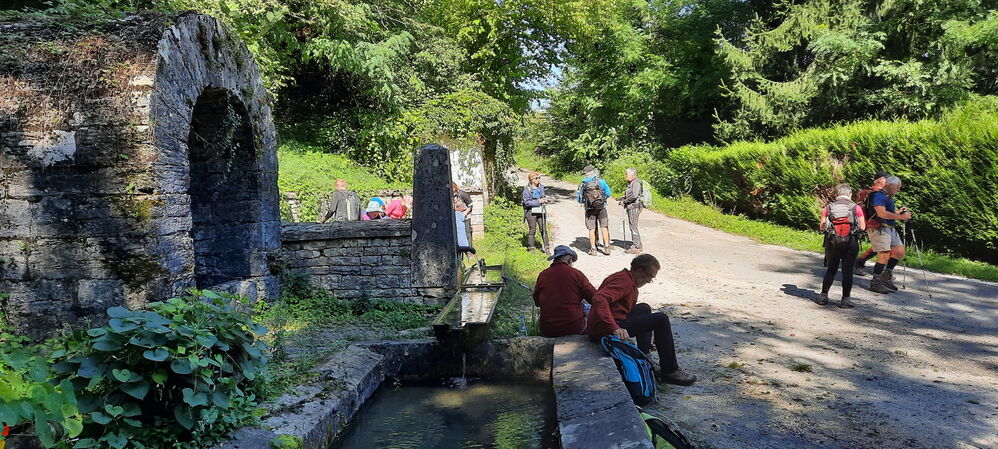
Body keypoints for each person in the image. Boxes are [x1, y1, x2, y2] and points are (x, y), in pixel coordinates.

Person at [587, 255, 697, 386]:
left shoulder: (626, 278)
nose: (648, 281)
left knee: (644, 308)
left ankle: (645, 356)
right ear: (638, 269)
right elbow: (599, 299)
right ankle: (670, 370)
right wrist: (614, 327)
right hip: (604, 330)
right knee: (661, 319)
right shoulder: (624, 282)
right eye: (648, 276)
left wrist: (653, 335)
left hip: (609, 323)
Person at [818, 184, 866, 308]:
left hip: (832, 241)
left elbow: (822, 226)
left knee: (831, 270)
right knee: (847, 271)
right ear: (850, 195)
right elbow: (862, 227)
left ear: (837, 194)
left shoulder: (828, 207)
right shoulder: (855, 207)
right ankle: (845, 300)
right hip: (851, 242)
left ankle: (823, 296)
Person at [533, 245, 597, 337]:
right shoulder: (576, 274)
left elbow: (538, 302)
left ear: (555, 259)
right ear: (569, 260)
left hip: (547, 329)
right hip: (573, 327)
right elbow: (594, 298)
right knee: (590, 314)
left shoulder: (543, 275)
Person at [867, 176, 912, 294]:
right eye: (897, 187)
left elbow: (888, 212)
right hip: (879, 227)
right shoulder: (878, 195)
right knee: (884, 254)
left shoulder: (888, 197)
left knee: (899, 251)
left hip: (890, 227)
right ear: (890, 185)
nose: (898, 190)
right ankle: (875, 282)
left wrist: (897, 212)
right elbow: (881, 213)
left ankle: (886, 276)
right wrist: (901, 217)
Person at [853, 171, 890, 276]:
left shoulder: (882, 193)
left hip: (879, 223)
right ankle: (860, 263)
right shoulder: (872, 193)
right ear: (879, 180)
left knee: (880, 246)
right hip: (874, 223)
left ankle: (861, 263)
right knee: (882, 247)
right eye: (886, 179)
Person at [576, 165, 612, 256]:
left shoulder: (583, 183)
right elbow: (608, 193)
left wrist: (586, 202)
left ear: (586, 174)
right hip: (601, 208)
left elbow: (579, 198)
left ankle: (593, 249)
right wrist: (602, 200)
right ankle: (607, 247)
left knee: (592, 229)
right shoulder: (601, 181)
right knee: (604, 227)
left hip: (589, 209)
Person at [617, 167, 644, 254]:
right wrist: (622, 198)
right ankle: (636, 244)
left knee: (633, 226)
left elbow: (634, 196)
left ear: (632, 175)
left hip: (634, 207)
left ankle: (637, 247)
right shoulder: (632, 182)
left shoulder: (636, 183)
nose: (625, 176)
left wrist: (624, 201)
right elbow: (631, 194)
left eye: (627, 174)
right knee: (633, 225)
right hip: (632, 207)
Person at [522, 172, 550, 254]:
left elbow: (543, 196)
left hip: (541, 211)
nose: (538, 180)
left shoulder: (541, 187)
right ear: (531, 180)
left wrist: (544, 200)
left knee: (543, 229)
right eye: (536, 178)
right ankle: (531, 248)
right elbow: (526, 203)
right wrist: (538, 202)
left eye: (539, 178)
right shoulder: (527, 190)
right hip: (531, 212)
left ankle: (547, 248)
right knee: (532, 230)